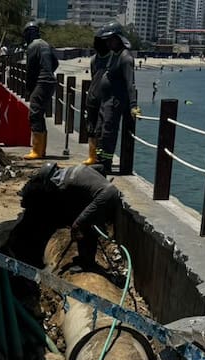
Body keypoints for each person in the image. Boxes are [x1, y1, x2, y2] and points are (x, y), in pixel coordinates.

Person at [17, 161, 121, 270]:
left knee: (79, 225)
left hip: (104, 197)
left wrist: (77, 223)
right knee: (86, 223)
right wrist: (101, 184)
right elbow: (101, 167)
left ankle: (86, 263)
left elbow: (73, 206)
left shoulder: (64, 184)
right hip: (110, 192)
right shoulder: (75, 168)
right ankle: (87, 260)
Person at [92, 23, 139, 175]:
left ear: (118, 39)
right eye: (106, 40)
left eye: (110, 40)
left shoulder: (125, 58)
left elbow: (130, 83)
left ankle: (106, 164)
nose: (108, 43)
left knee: (108, 133)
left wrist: (133, 105)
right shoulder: (114, 55)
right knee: (99, 131)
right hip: (104, 101)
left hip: (114, 101)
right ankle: (99, 160)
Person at [22, 21, 57, 160]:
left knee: (34, 114)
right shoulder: (46, 44)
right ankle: (41, 150)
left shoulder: (33, 46)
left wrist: (29, 89)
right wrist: (49, 72)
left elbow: (30, 71)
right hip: (50, 81)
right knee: (39, 114)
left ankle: (37, 150)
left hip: (42, 82)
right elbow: (56, 63)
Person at [82, 35, 109, 166]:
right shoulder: (94, 59)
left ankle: (100, 156)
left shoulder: (112, 59)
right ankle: (92, 156)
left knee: (102, 129)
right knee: (91, 127)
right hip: (92, 97)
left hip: (106, 98)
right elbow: (94, 76)